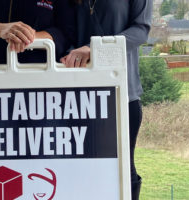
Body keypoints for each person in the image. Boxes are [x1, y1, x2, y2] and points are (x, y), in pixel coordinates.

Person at [61, 0, 152, 199]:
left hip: (122, 94)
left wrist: (96, 49)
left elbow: (141, 30)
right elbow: (64, 32)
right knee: (80, 170)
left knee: (123, 169)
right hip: (76, 98)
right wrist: (67, 53)